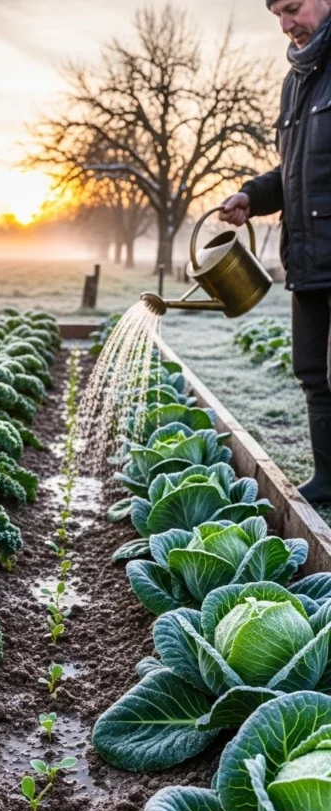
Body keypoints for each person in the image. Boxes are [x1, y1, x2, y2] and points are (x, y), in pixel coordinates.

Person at [220, 0, 331, 504]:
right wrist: (251, 195)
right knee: (312, 373)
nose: (287, 26)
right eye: (278, 17)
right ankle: (329, 478)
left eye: (294, 9)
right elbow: (292, 175)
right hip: (308, 258)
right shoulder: (297, 84)